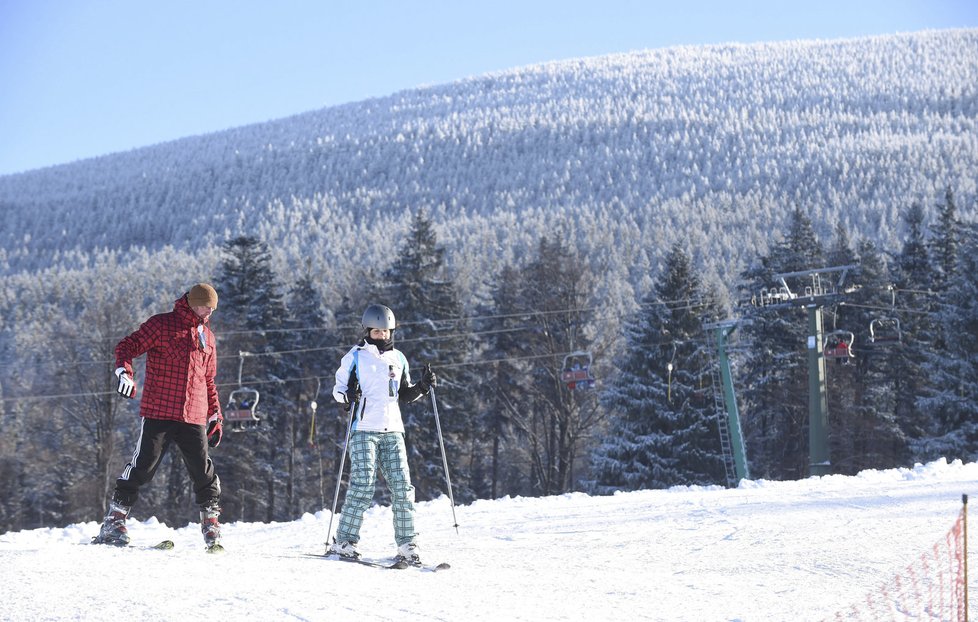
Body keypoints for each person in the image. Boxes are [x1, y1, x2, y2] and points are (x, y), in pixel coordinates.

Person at [92, 283, 225, 550]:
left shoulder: (207, 338)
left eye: (211, 308)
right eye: (204, 305)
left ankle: (211, 524)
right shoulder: (162, 325)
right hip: (159, 410)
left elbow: (208, 381)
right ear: (190, 302)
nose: (207, 311)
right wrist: (124, 371)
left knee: (203, 471)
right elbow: (127, 346)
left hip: (194, 414)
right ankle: (114, 521)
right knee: (143, 466)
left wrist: (215, 415)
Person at [328, 303, 436, 565]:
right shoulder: (355, 356)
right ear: (367, 331)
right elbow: (338, 389)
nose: (382, 336)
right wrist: (347, 397)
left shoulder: (398, 359)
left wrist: (423, 386)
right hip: (364, 429)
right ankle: (344, 540)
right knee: (363, 485)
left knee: (402, 488)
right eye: (377, 331)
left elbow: (404, 393)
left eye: (386, 331)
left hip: (393, 430)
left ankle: (407, 543)